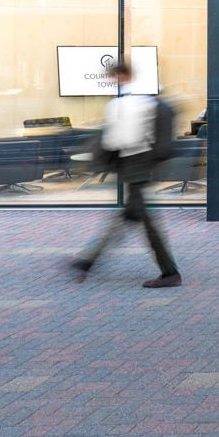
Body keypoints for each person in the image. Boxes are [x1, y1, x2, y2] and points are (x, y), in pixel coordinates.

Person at [70, 58, 182, 288]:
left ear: (119, 76)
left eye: (112, 76)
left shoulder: (126, 102)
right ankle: (88, 261)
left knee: (146, 223)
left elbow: (120, 139)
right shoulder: (144, 97)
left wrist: (105, 152)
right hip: (142, 165)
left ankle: (169, 273)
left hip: (135, 167)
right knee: (128, 217)